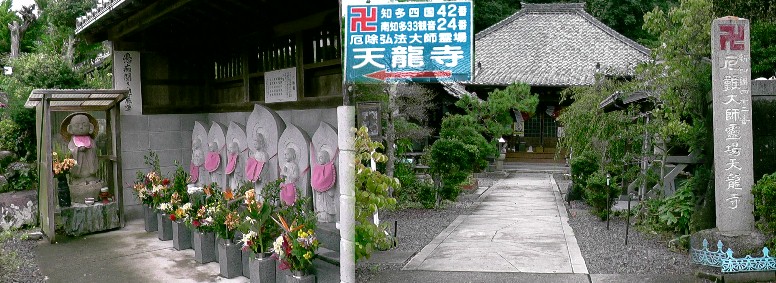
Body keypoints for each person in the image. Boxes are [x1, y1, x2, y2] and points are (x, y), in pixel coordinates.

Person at [66, 114, 98, 185]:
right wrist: (77, 150)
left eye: (85, 125)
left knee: (91, 178)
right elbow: (70, 151)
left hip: (89, 165)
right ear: (70, 129)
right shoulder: (72, 141)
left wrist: (89, 149)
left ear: (90, 127)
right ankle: (78, 178)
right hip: (79, 169)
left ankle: (90, 177)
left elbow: (94, 150)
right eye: (77, 125)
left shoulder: (91, 140)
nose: (81, 127)